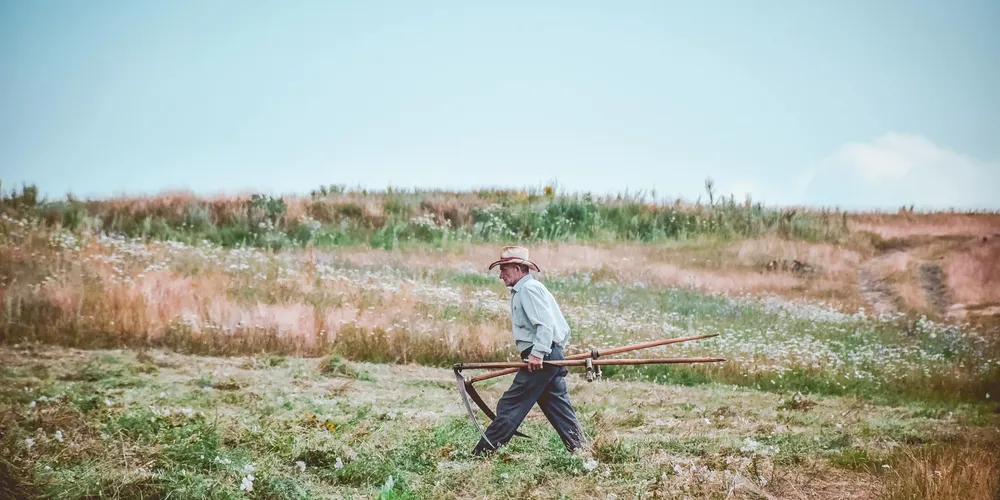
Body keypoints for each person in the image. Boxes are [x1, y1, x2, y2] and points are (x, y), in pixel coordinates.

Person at [472, 246, 586, 456]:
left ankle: (483, 453)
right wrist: (553, 352)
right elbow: (560, 327)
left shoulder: (528, 290)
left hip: (540, 357)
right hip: (547, 355)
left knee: (510, 404)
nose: (500, 275)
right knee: (558, 407)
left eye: (504, 269)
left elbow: (546, 325)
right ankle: (582, 450)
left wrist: (539, 353)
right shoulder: (528, 289)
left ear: (517, 268)